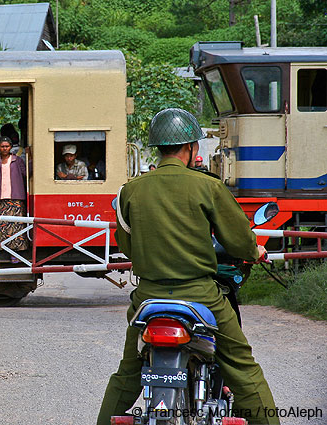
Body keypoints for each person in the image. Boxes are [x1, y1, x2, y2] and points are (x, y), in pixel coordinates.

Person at [97, 108, 279, 425]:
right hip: (202, 297)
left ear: (159, 147)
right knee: (243, 369)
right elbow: (238, 241)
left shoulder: (130, 190)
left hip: (148, 299)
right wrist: (255, 251)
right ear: (190, 147)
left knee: (128, 374)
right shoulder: (208, 187)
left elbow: (126, 245)